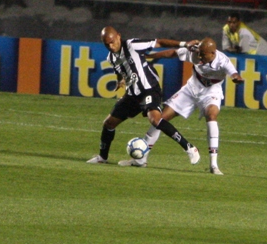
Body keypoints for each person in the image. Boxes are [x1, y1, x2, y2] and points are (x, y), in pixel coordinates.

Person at [123, 37, 244, 175]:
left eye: (203, 55)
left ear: (212, 53)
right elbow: (173, 53)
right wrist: (150, 56)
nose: (199, 57)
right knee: (161, 118)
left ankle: (214, 165)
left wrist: (236, 78)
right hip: (190, 89)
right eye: (199, 53)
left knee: (211, 115)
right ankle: (140, 160)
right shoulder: (194, 52)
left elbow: (234, 73)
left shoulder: (223, 61)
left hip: (211, 92)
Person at [86, 26, 200, 166]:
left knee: (155, 120)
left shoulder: (132, 45)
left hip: (149, 89)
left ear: (118, 36)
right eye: (106, 44)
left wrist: (184, 44)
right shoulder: (111, 57)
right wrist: (119, 80)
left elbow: (159, 42)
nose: (110, 46)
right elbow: (119, 69)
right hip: (132, 94)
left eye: (112, 42)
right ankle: (102, 157)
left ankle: (190, 148)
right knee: (109, 124)